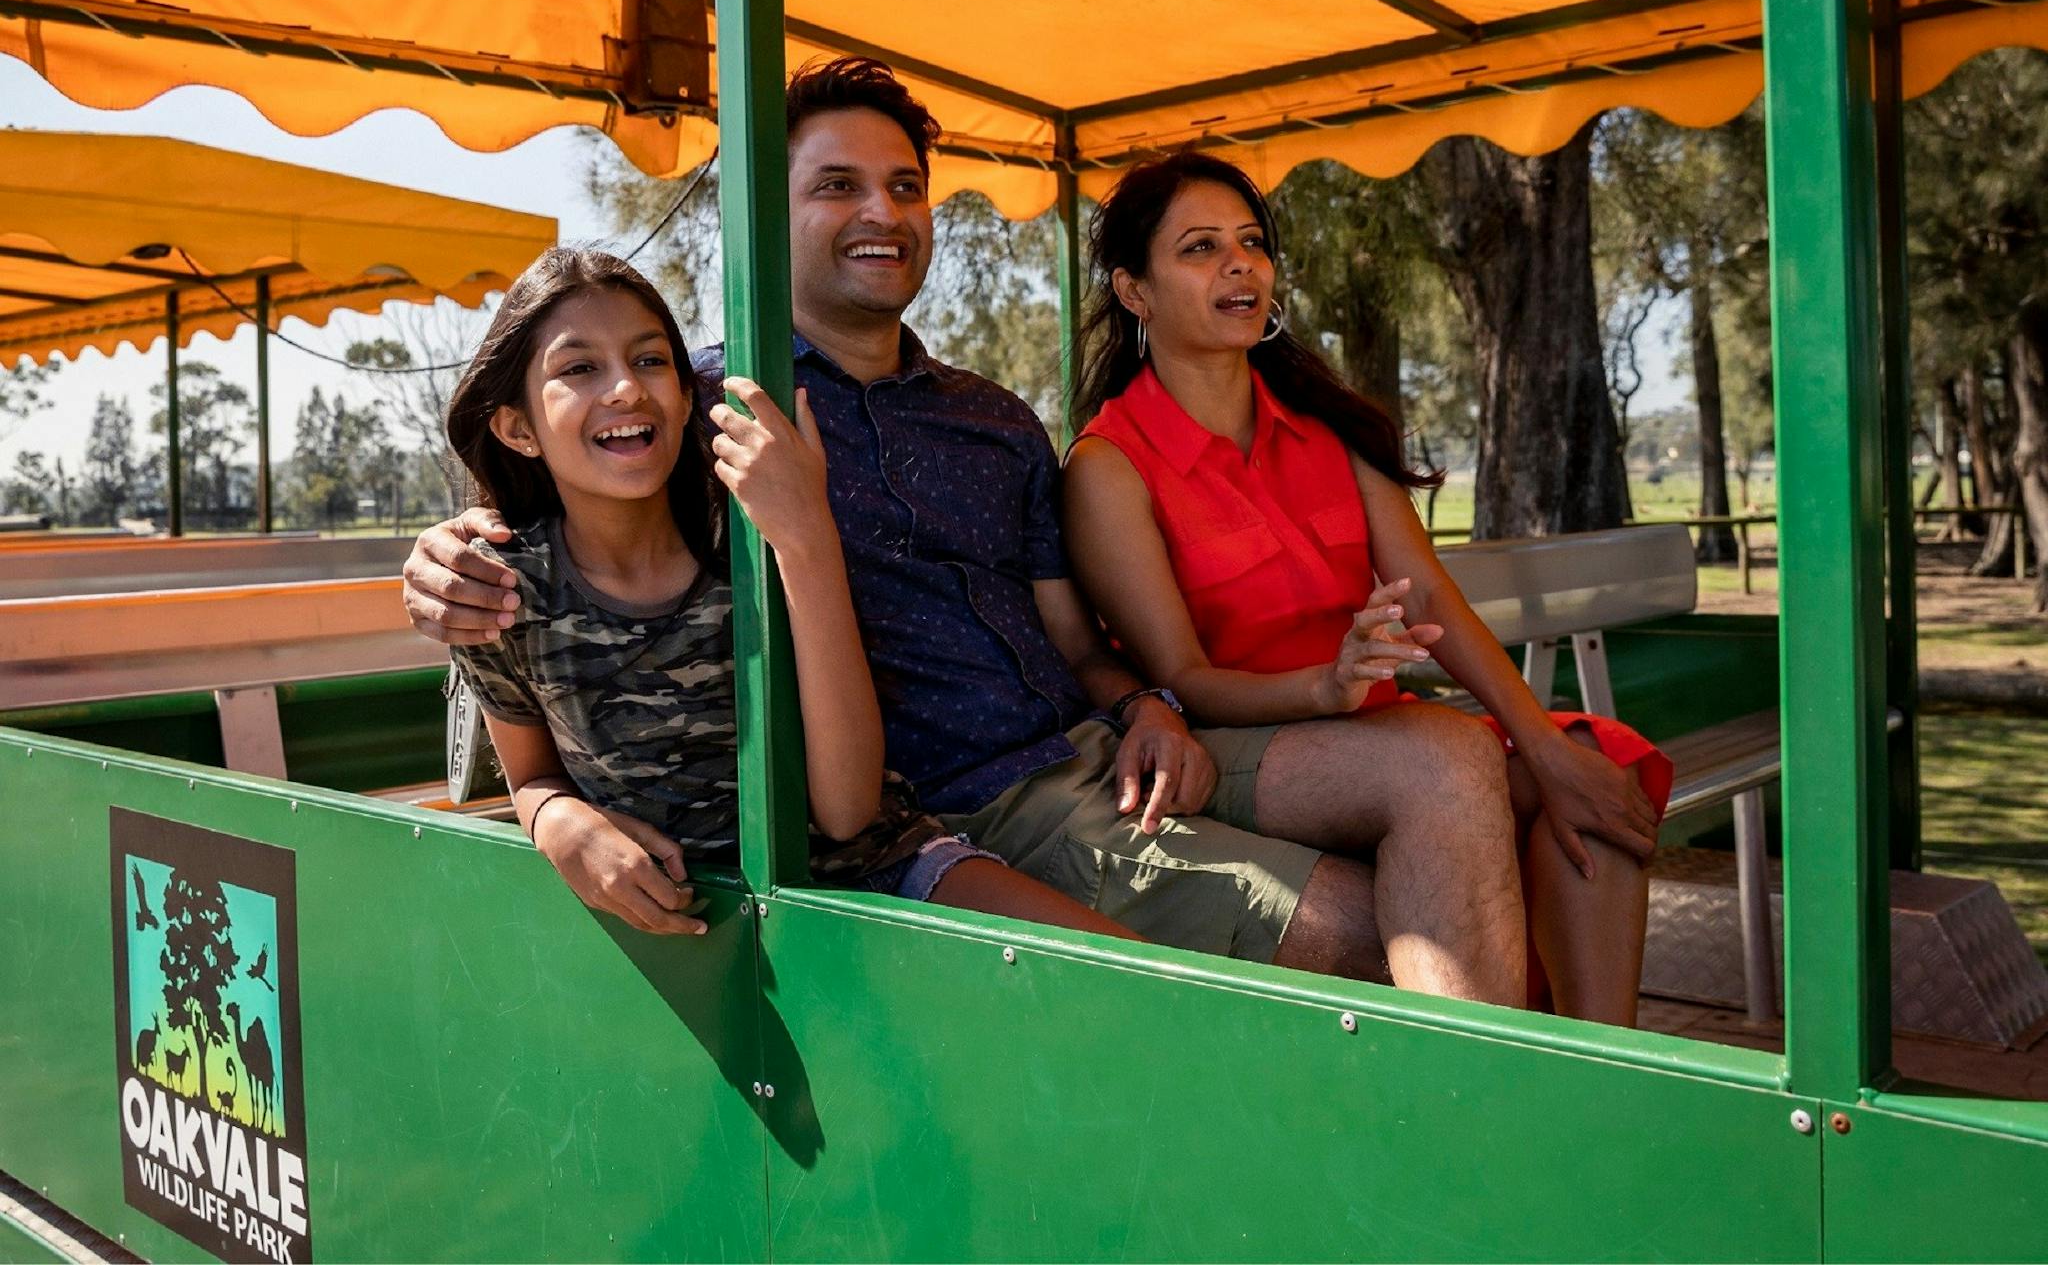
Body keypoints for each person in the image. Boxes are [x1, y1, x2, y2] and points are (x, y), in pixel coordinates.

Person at [406, 57, 1528, 1004]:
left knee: (1456, 773)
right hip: (966, 797)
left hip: (1099, 748)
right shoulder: (705, 408)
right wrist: (443, 549)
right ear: (764, 211)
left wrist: (1147, 704)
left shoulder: (992, 420)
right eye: (835, 186)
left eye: (904, 187)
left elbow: (1076, 644)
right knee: (1368, 928)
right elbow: (564, 476)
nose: (881, 214)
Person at [1061, 151, 1672, 1025]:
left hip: (1370, 734)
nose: (1240, 264)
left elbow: (1423, 594)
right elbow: (1182, 681)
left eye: (1250, 244)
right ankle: (1483, 1100)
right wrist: (1326, 686)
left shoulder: (1327, 427)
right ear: (1134, 292)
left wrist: (1538, 741)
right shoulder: (1109, 466)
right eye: (1199, 249)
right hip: (1235, 745)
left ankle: (1604, 1077)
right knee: (1445, 755)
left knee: (1592, 769)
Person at [440, 246, 1125, 939]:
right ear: (517, 426)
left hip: (882, 874)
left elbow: (850, 811)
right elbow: (530, 779)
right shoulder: (499, 589)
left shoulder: (750, 540)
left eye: (650, 360)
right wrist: (560, 825)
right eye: (579, 368)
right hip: (697, 919)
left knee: (1137, 979)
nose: (624, 389)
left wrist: (806, 539)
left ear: (686, 399)